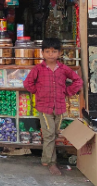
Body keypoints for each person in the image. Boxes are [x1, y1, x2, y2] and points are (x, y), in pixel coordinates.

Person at [23, 37, 83, 175]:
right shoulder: (38, 69)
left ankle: (46, 158)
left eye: (54, 51)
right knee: (49, 134)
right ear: (42, 53)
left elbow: (78, 81)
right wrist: (38, 91)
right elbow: (28, 83)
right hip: (44, 107)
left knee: (54, 134)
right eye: (48, 51)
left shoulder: (63, 69)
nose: (51, 54)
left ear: (59, 53)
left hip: (60, 107)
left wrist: (67, 91)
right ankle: (51, 163)